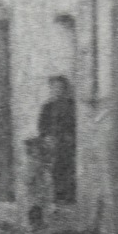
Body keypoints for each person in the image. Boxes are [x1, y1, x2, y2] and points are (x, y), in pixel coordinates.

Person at [37, 75, 76, 205]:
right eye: (54, 88)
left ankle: (70, 197)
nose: (57, 90)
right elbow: (42, 127)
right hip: (54, 144)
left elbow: (76, 126)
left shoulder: (72, 105)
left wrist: (70, 137)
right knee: (55, 168)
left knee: (70, 168)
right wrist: (47, 137)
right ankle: (58, 197)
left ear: (65, 89)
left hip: (69, 144)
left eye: (60, 88)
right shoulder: (47, 107)